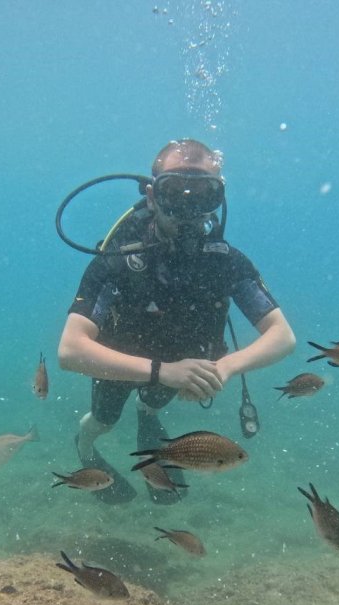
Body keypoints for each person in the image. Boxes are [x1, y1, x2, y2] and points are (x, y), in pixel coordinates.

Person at [57, 138, 296, 504]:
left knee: (153, 404)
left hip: (184, 366)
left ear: (219, 200)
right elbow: (71, 350)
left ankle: (148, 413)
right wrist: (164, 372)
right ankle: (85, 445)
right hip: (121, 365)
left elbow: (282, 336)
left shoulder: (226, 262)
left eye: (203, 195)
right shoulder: (119, 260)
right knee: (103, 422)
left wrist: (226, 367)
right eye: (176, 193)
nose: (189, 209)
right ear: (152, 197)